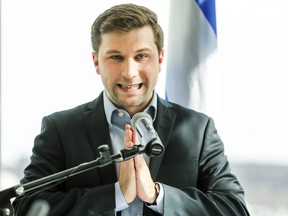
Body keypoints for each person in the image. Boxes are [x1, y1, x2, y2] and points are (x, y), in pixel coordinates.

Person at [12, 3, 250, 216]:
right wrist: (116, 195)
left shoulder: (198, 130)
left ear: (160, 59)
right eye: (116, 57)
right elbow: (27, 207)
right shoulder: (61, 129)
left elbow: (234, 208)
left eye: (141, 56)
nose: (129, 72)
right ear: (96, 62)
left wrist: (158, 195)